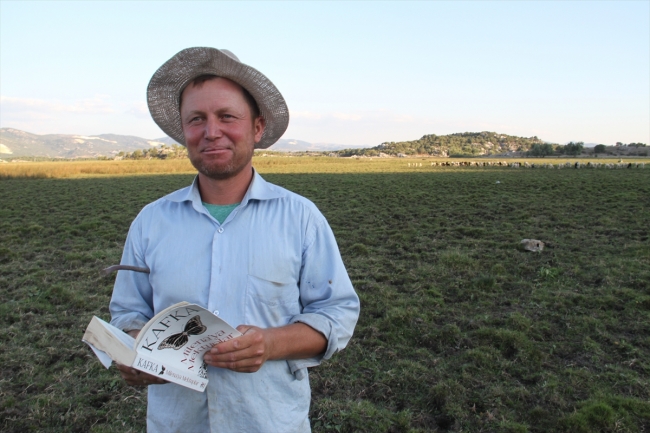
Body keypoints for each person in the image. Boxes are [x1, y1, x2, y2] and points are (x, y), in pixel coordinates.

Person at [109, 47, 360, 432]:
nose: (211, 132)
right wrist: (134, 350)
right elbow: (128, 312)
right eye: (196, 119)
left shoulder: (300, 218)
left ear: (257, 128)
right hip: (176, 422)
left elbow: (337, 313)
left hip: (269, 421)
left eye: (227, 116)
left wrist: (270, 344)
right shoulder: (151, 221)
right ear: (183, 131)